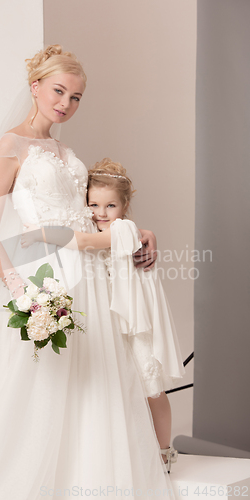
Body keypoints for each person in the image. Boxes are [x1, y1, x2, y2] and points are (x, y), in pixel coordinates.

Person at [0, 45, 174, 500]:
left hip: (92, 278)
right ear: (35, 87)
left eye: (76, 98)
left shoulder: (62, 149)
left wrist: (141, 231)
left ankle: (90, 482)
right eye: (59, 92)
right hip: (49, 279)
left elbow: (87, 216)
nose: (66, 104)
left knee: (95, 383)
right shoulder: (10, 146)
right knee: (40, 387)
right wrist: (18, 289)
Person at [22, 157, 185, 473]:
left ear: (124, 207)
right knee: (125, 383)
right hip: (114, 320)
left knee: (152, 384)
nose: (100, 213)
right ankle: (135, 450)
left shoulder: (124, 229)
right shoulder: (100, 223)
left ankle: (165, 452)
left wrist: (42, 232)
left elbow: (83, 242)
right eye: (93, 204)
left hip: (137, 320)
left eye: (110, 206)